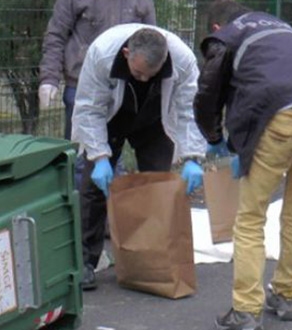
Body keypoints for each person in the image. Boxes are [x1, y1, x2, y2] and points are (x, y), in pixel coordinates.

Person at [194, 2, 292, 330]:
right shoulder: (280, 29)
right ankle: (286, 295)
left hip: (280, 117)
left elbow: (209, 93)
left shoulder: (228, 36)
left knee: (249, 218)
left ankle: (246, 310)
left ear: (216, 28)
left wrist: (215, 139)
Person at [72, 24, 207, 290]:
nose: (143, 79)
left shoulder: (182, 60)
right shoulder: (102, 52)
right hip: (112, 116)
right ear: (126, 54)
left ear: (165, 59)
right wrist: (99, 156)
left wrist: (193, 156)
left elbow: (189, 109)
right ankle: (87, 261)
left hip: (155, 118)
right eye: (138, 73)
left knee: (157, 186)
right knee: (92, 189)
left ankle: (152, 260)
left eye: (151, 74)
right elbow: (89, 108)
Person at [38, 0, 156, 140]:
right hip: (80, 85)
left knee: (112, 148)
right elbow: (56, 35)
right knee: (79, 149)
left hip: (122, 86)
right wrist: (49, 78)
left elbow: (151, 41)